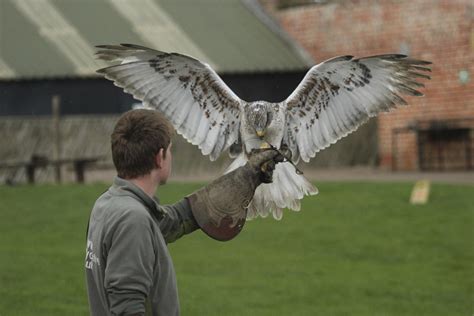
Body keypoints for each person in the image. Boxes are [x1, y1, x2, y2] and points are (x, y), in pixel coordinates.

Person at [85, 109, 283, 315]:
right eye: (170, 150)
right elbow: (127, 307)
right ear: (160, 157)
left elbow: (169, 222)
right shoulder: (133, 220)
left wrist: (246, 176)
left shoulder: (107, 205)